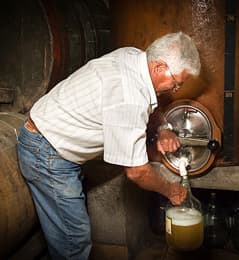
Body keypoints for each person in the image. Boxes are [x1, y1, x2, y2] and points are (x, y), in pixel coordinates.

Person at [17, 31, 201, 259]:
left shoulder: (134, 57)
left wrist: (163, 128)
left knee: (64, 234)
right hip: (47, 153)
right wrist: (171, 190)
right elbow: (137, 172)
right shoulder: (129, 97)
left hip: (52, 141)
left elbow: (149, 99)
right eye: (175, 83)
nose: (175, 90)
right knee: (74, 240)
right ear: (159, 67)